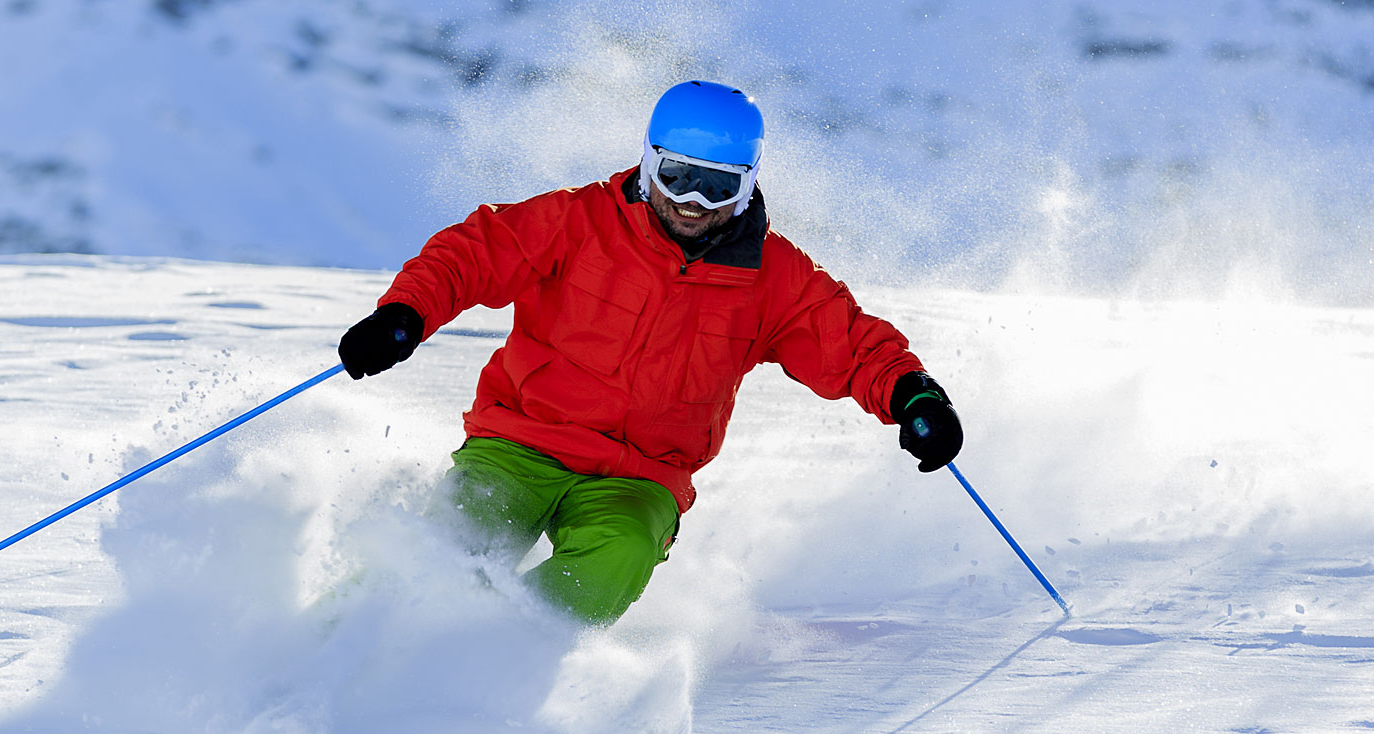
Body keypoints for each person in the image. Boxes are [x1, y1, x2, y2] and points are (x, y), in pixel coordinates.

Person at [338, 80, 961, 625]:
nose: (694, 201)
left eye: (717, 187)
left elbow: (852, 345)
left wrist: (913, 395)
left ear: (747, 186)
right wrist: (405, 314)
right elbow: (475, 253)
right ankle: (338, 635)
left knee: (623, 553)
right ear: (648, 162)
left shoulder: (775, 278)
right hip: (520, 445)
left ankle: (493, 650)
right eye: (678, 177)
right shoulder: (580, 221)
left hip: (641, 478)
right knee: (454, 538)